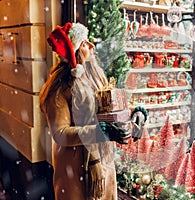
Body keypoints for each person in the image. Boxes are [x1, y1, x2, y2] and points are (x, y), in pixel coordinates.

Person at [39, 22, 146, 200]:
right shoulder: (59, 88)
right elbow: (60, 133)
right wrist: (100, 131)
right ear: (75, 52)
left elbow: (108, 107)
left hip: (104, 164)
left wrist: (136, 113)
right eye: (84, 44)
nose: (92, 46)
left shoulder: (97, 77)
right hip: (76, 169)